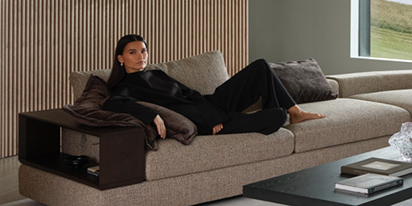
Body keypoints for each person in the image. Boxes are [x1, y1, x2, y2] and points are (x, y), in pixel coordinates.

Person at [104, 34, 324, 138]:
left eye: (143, 51)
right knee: (276, 116)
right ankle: (279, 114)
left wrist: (214, 112)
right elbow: (112, 105)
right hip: (202, 123)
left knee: (260, 66)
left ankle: (296, 112)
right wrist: (151, 115)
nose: (140, 56)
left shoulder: (156, 73)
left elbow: (191, 94)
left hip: (210, 105)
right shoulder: (126, 87)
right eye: (132, 52)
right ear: (120, 58)